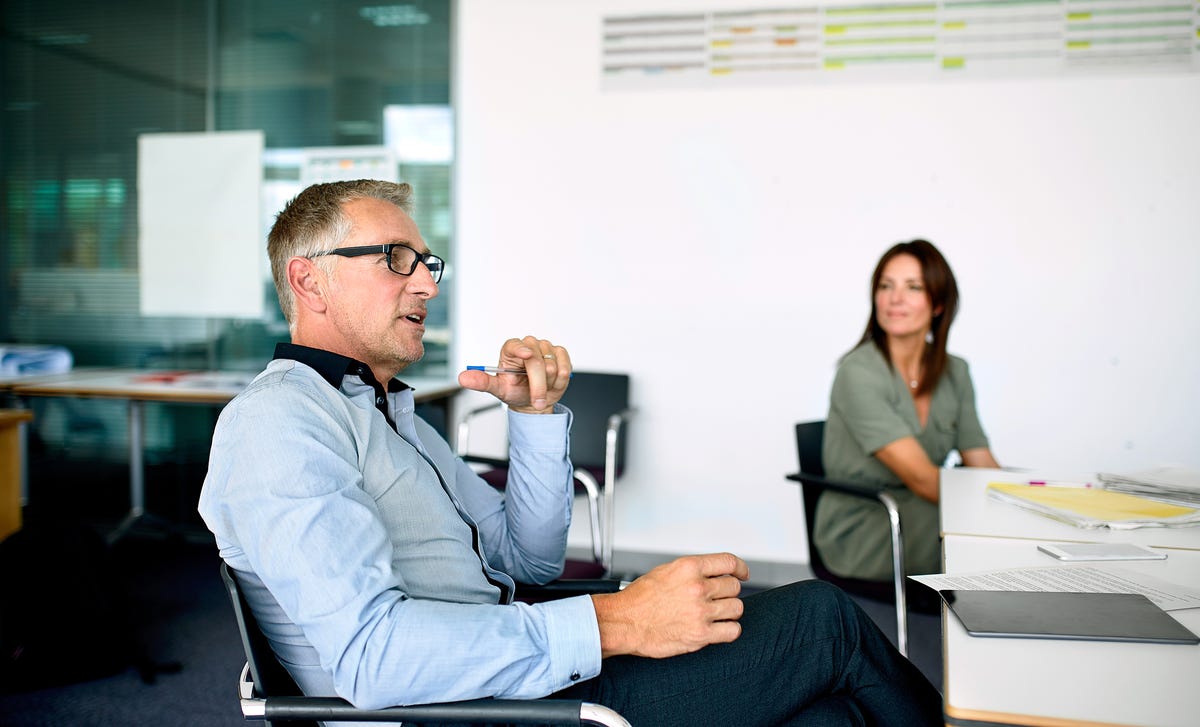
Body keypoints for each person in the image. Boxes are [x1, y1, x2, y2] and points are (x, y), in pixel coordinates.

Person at [199, 180, 942, 725]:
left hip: (513, 669)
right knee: (822, 619)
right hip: (474, 713)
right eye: (395, 257)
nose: (426, 279)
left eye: (428, 261)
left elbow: (528, 560)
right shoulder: (279, 425)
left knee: (831, 714)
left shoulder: (396, 416)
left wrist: (534, 418)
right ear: (309, 280)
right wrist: (620, 621)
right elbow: (373, 656)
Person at [816, 239, 1000, 582]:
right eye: (886, 286)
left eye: (913, 287)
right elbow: (922, 480)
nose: (895, 298)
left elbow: (981, 461)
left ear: (938, 304)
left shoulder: (955, 371)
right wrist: (996, 513)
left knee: (1008, 537)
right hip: (872, 522)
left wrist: (1022, 502)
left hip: (927, 511)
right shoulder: (858, 372)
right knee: (989, 544)